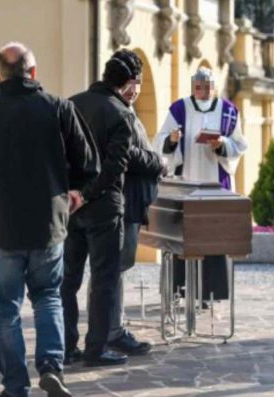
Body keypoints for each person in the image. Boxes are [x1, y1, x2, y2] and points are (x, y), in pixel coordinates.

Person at [0, 41, 98, 397]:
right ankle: (50, 366)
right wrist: (78, 194)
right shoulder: (60, 109)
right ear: (33, 73)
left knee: (6, 308)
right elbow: (89, 164)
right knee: (48, 297)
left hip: (3, 226)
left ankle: (15, 386)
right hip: (49, 224)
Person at [60, 50, 148, 367]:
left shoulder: (70, 104)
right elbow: (114, 169)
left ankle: (67, 347)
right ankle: (95, 349)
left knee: (67, 281)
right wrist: (87, 194)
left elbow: (58, 156)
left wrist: (72, 194)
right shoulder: (121, 114)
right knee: (103, 281)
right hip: (104, 208)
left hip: (69, 206)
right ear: (126, 83)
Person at [152, 66, 247, 303]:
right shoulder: (179, 108)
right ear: (192, 87)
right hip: (186, 183)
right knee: (181, 237)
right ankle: (178, 290)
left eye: (207, 87)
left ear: (214, 88)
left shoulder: (228, 111)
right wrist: (172, 140)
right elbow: (159, 140)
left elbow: (240, 145)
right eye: (198, 87)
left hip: (216, 185)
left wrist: (222, 145)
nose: (203, 91)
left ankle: (210, 292)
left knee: (212, 236)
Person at [106, 51, 163, 355]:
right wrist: (157, 162)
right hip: (123, 203)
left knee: (116, 269)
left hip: (130, 203)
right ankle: (111, 330)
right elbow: (129, 154)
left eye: (138, 83)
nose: (135, 88)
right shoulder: (119, 111)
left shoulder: (126, 108)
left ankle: (112, 326)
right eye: (132, 82)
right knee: (114, 268)